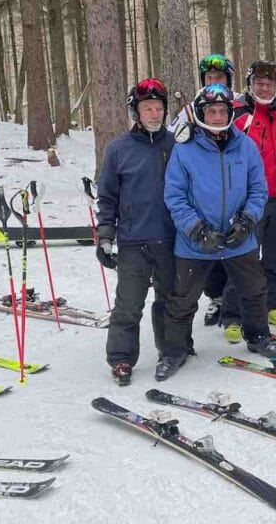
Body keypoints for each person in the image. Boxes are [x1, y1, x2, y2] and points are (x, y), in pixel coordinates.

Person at [160, 84, 276, 376]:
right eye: (211, 111)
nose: (217, 117)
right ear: (202, 113)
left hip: (239, 237)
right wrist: (196, 230)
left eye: (222, 111)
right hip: (195, 241)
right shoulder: (185, 149)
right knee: (183, 298)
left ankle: (258, 335)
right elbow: (174, 196)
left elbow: (258, 189)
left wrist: (247, 221)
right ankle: (175, 350)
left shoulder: (246, 145)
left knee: (254, 290)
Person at [96, 78, 177, 385]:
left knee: (169, 300)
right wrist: (105, 235)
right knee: (128, 304)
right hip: (133, 241)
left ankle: (171, 348)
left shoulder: (178, 146)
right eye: (148, 108)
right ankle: (121, 358)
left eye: (159, 108)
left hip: (170, 239)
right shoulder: (118, 149)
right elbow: (107, 197)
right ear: (136, 113)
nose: (155, 114)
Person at [212, 60, 276, 342]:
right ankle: (233, 315)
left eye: (269, 84)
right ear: (250, 84)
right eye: (259, 83)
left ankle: (271, 304)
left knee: (273, 258)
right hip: (247, 202)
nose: (264, 87)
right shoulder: (237, 114)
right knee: (244, 259)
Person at [169, 53, 235, 134]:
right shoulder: (192, 110)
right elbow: (171, 135)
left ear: (228, 80)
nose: (213, 82)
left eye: (219, 77)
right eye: (209, 77)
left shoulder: (240, 105)